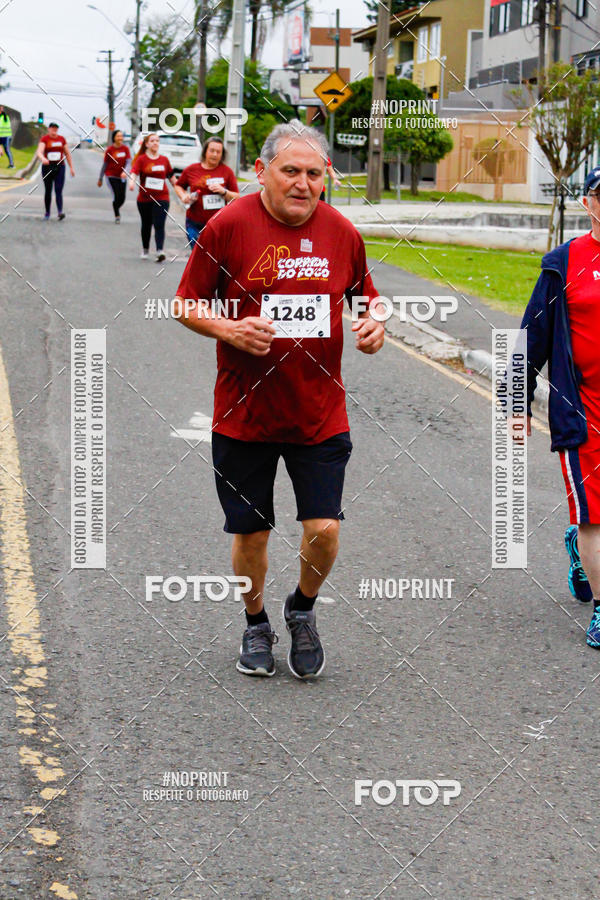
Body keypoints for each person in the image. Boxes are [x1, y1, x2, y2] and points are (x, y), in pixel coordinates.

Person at [173, 120, 385, 679]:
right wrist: (230, 330)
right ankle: (255, 621)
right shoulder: (228, 225)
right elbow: (186, 303)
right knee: (252, 532)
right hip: (245, 414)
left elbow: (370, 299)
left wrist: (373, 325)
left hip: (319, 411)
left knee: (325, 529)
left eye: (314, 173)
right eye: (291, 170)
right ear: (262, 171)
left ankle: (302, 608)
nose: (303, 183)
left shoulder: (342, 232)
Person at [519, 166, 600, 648]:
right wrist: (515, 405)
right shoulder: (564, 262)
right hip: (583, 412)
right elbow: (530, 338)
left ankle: (579, 550)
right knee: (594, 514)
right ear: (590, 203)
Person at [173, 137, 239, 251]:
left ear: (222, 154)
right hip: (194, 222)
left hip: (218, 224)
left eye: (218, 152)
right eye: (212, 150)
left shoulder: (227, 172)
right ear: (205, 152)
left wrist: (224, 191)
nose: (214, 154)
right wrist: (184, 196)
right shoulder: (192, 170)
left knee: (213, 256)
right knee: (198, 254)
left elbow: (237, 197)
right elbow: (178, 186)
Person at [129, 133, 176, 261]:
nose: (155, 143)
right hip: (145, 198)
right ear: (147, 144)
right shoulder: (142, 159)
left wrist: (180, 189)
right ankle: (145, 249)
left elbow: (172, 177)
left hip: (162, 197)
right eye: (152, 141)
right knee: (146, 224)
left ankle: (160, 250)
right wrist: (132, 182)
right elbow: (134, 172)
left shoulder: (164, 160)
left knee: (159, 224)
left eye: (157, 141)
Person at [36, 122, 75, 221]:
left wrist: (71, 168)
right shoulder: (45, 139)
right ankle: (47, 213)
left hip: (59, 167)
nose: (54, 130)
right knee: (48, 190)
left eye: (56, 128)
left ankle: (60, 212)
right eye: (52, 128)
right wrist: (42, 158)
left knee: (58, 190)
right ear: (49, 129)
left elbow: (67, 153)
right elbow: (39, 152)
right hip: (48, 167)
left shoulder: (61, 139)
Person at [97, 129, 131, 223]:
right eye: (118, 136)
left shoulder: (125, 149)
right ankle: (117, 215)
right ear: (114, 138)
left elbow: (129, 162)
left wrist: (126, 171)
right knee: (116, 196)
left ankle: (116, 206)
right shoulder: (110, 150)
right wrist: (100, 178)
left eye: (121, 136)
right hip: (111, 176)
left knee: (122, 197)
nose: (120, 138)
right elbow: (105, 165)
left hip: (122, 177)